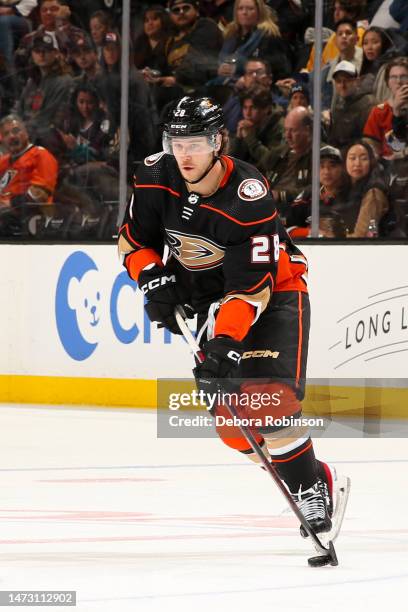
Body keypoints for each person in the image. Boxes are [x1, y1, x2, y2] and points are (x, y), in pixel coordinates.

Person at [118, 96, 349, 540]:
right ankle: (306, 475)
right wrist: (151, 278)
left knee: (266, 400)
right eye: (176, 142)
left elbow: (251, 288)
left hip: (272, 294)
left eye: (196, 143)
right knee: (232, 426)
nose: (184, 154)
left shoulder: (249, 195)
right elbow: (132, 241)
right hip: (208, 300)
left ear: (218, 142)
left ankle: (309, 489)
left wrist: (224, 344)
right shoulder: (152, 175)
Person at [0, 114, 58, 235]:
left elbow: (39, 195)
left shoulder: (40, 155)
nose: (11, 136)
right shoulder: (3, 162)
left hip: (27, 219)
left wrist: (10, 204)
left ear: (26, 132)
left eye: (16, 131)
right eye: (6, 134)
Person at [260, 106, 313, 221]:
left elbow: (319, 188)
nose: (287, 136)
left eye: (293, 130)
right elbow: (254, 173)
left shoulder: (319, 154)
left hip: (297, 212)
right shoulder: (277, 153)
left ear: (307, 130)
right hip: (268, 208)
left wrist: (281, 195)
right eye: (286, 130)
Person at [286, 145, 348, 238]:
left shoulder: (350, 193)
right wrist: (312, 233)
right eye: (321, 166)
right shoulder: (308, 194)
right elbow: (288, 230)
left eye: (332, 166)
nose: (326, 171)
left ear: (342, 168)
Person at [364, 56, 408, 158]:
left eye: (404, 76)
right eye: (393, 77)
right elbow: (397, 147)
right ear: (387, 82)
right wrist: (396, 111)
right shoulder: (378, 112)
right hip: (388, 169)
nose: (398, 81)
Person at [228, 86, 284, 165]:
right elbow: (231, 162)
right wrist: (238, 139)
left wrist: (250, 139)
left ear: (266, 109)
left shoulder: (279, 126)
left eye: (253, 108)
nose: (247, 113)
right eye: (245, 108)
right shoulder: (247, 126)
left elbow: (271, 163)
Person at [328, 60, 375, 151]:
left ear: (357, 81)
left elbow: (369, 142)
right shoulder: (339, 105)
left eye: (347, 80)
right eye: (338, 81)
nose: (342, 85)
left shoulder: (368, 104)